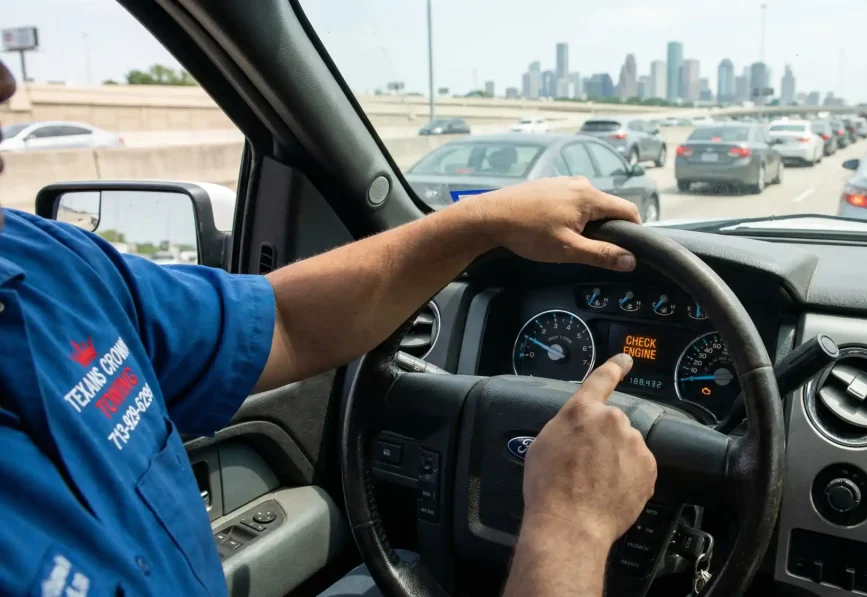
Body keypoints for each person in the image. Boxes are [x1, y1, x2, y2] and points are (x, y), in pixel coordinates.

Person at [0, 57, 655, 597]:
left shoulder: (44, 265)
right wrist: (572, 522)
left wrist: (484, 224)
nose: (6, 83)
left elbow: (285, 320)